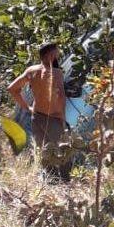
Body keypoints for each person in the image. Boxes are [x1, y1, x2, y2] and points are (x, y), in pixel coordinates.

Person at [7, 42, 71, 180]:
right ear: (51, 55)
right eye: (56, 53)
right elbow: (61, 97)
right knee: (64, 150)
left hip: (37, 116)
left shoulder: (31, 71)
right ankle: (65, 181)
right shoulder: (56, 72)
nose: (58, 55)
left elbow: (12, 89)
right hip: (53, 118)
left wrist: (26, 107)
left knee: (45, 151)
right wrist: (63, 119)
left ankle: (52, 181)